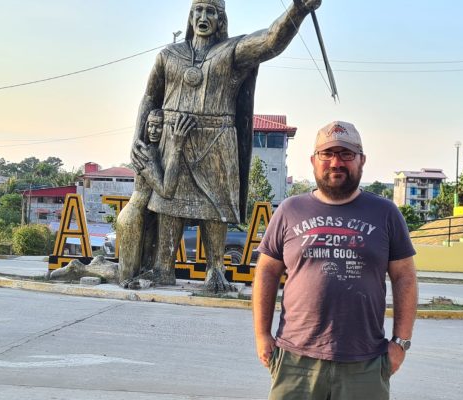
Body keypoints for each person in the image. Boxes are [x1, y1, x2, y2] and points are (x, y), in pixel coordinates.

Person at [128, 0, 323, 292]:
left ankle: (215, 270)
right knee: (168, 204)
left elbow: (271, 41)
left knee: (215, 208)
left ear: (221, 19)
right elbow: (149, 97)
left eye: (211, 11)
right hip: (173, 138)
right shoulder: (168, 55)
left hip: (217, 143)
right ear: (190, 16)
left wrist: (299, 9)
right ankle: (162, 268)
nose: (203, 16)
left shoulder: (232, 52)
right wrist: (138, 137)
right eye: (198, 10)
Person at [252, 121, 418, 399]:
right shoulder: (290, 210)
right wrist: (261, 335)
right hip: (295, 361)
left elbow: (405, 277)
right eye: (327, 154)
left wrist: (400, 342)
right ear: (313, 160)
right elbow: (267, 271)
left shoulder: (386, 213)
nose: (336, 162)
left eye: (346, 154)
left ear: (362, 160)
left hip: (365, 363)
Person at [116, 110, 195, 288]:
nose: (152, 130)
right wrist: (177, 146)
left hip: (149, 220)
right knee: (126, 278)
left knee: (141, 272)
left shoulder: (160, 152)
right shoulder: (146, 153)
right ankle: (79, 269)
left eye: (158, 126)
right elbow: (166, 191)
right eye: (150, 125)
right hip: (133, 219)